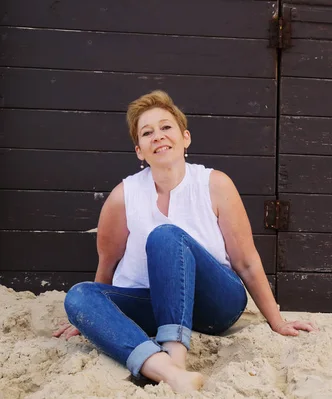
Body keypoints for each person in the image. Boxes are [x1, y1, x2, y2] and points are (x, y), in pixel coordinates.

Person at [53, 90, 316, 393]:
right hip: (151, 304)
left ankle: (175, 357)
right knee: (78, 297)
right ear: (139, 150)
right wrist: (90, 316)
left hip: (215, 304)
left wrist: (277, 322)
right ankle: (167, 371)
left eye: (166, 127)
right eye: (147, 132)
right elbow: (107, 264)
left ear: (185, 137)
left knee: (165, 236)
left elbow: (246, 261)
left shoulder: (214, 184)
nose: (158, 136)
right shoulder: (121, 197)